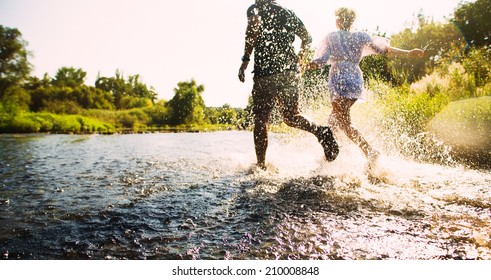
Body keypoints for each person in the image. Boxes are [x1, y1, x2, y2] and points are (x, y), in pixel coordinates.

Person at [305, 7, 424, 165]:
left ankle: (369, 151)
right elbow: (385, 50)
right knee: (334, 118)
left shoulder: (332, 37)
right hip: (354, 79)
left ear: (339, 21)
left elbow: (321, 61)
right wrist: (408, 53)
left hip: (339, 80)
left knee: (344, 122)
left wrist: (303, 65)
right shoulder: (361, 36)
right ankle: (329, 154)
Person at [238, 0, 339, 170]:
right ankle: (321, 132)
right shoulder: (288, 13)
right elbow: (307, 38)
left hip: (265, 74)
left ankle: (261, 166)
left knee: (261, 119)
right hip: (288, 73)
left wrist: (245, 61)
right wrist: (300, 59)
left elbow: (252, 34)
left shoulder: (255, 9)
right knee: (292, 116)